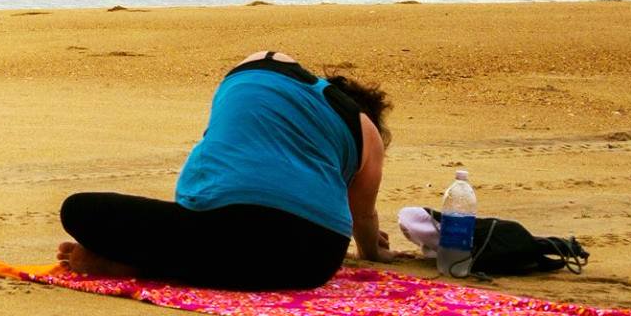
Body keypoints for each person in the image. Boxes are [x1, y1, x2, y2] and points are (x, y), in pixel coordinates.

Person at [56, 50, 399, 289]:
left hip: (223, 233)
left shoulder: (268, 63)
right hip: (313, 259)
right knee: (222, 245)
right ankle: (147, 265)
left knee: (79, 209)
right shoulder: (366, 130)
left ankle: (142, 264)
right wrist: (372, 252)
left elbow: (194, 199)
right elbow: (363, 217)